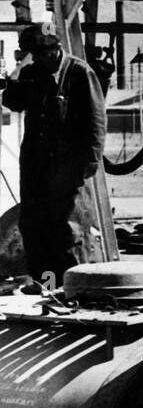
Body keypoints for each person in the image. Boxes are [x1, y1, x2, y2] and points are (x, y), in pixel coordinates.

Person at [1, 22, 107, 284]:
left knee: (67, 231)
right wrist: (13, 78)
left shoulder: (80, 73)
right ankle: (46, 285)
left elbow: (96, 123)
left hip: (67, 171)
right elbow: (13, 102)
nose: (36, 59)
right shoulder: (35, 72)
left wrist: (85, 167)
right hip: (36, 169)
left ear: (55, 50)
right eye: (32, 55)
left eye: (39, 54)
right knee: (34, 228)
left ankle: (75, 287)